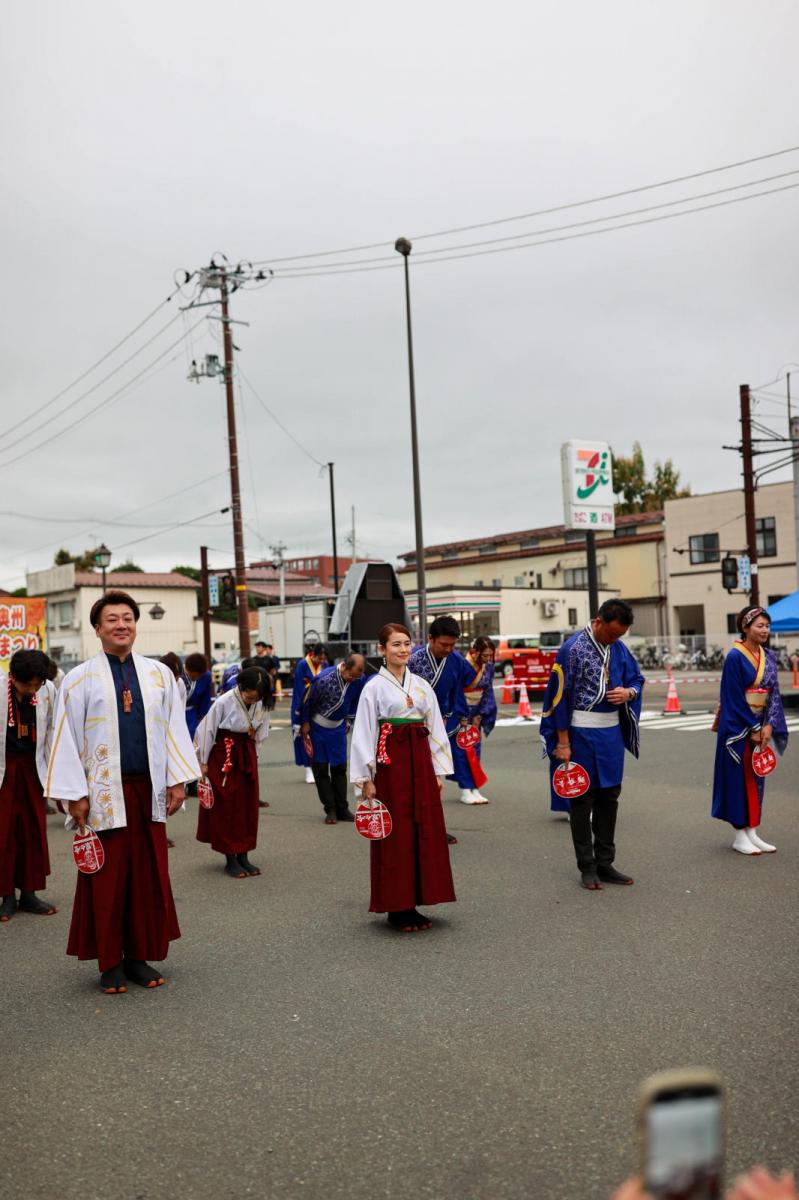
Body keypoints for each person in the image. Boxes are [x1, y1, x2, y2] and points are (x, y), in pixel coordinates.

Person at [45, 590, 200, 994]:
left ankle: (139, 956)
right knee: (107, 879)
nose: (121, 625)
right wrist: (74, 794)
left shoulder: (159, 675)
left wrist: (178, 779)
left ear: (135, 625)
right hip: (103, 794)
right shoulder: (79, 679)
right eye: (112, 619)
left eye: (127, 618)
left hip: (148, 791)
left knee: (147, 876)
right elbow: (64, 740)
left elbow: (175, 729)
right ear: (97, 629)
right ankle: (110, 961)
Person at [350, 623, 455, 933]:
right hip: (390, 766)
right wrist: (366, 778)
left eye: (407, 643)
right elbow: (364, 732)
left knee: (422, 829)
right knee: (396, 834)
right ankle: (398, 907)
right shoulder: (373, 687)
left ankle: (418, 899)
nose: (404, 649)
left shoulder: (421, 685)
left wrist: (438, 771)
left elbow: (435, 728)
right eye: (396, 644)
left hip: (419, 764)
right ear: (382, 650)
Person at [540, 599, 644, 890]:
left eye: (620, 635)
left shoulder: (618, 648)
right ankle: (587, 866)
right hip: (580, 732)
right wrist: (562, 742)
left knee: (610, 796)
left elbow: (637, 678)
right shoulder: (572, 649)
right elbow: (558, 696)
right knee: (581, 798)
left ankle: (605, 862)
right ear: (598, 622)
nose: (615, 639)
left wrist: (629, 693)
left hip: (610, 734)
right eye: (611, 633)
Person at [711, 606, 788, 855]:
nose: (765, 630)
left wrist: (769, 724)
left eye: (767, 626)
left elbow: (774, 693)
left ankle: (752, 830)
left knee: (757, 776)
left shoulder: (769, 656)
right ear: (745, 627)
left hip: (761, 723)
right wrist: (753, 727)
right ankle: (739, 834)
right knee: (738, 778)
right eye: (759, 626)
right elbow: (732, 697)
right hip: (738, 726)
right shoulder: (735, 657)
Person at [194, 667, 270, 879]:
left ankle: (244, 854)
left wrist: (255, 753)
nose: (252, 700)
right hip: (224, 756)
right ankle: (230, 857)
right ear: (241, 687)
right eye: (248, 696)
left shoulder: (262, 702)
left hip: (246, 753)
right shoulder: (224, 702)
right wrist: (203, 761)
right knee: (226, 806)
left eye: (256, 697)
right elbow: (206, 731)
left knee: (247, 806)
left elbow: (262, 730)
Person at [0, 649, 58, 922]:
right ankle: (7, 896)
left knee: (33, 831)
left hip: (34, 768)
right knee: (4, 834)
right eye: (28, 685)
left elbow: (54, 731)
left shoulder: (48, 691)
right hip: (5, 769)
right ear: (13, 677)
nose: (34, 689)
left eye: (38, 684)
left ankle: (29, 893)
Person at [408, 615, 468, 843]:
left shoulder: (455, 661)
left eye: (452, 645)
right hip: (409, 726)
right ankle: (410, 829)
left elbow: (455, 692)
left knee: (435, 781)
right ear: (431, 639)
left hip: (438, 726)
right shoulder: (412, 659)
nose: (449, 649)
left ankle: (433, 828)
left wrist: (451, 717)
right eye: (444, 644)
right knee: (412, 781)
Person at [300, 652, 367, 824]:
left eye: (356, 677)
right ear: (344, 666)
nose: (353, 679)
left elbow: (355, 701)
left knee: (339, 768)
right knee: (321, 769)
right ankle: (330, 809)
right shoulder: (323, 679)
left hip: (338, 728)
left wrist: (349, 720)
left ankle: (342, 808)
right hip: (318, 728)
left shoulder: (359, 680)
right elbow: (308, 701)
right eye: (351, 675)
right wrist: (305, 723)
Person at [452, 635, 497, 805]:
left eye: (490, 655)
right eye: (485, 655)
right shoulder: (463, 665)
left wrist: (481, 714)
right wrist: (463, 716)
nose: (488, 658)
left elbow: (488, 690)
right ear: (475, 652)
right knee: (462, 751)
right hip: (461, 713)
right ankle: (465, 789)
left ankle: (475, 787)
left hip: (476, 712)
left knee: (475, 750)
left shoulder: (488, 667)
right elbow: (456, 691)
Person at [292, 644, 325, 784]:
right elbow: (299, 690)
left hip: (320, 707)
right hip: (304, 704)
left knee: (319, 739)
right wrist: (298, 714)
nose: (321, 661)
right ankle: (308, 769)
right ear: (313, 654)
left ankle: (318, 768)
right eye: (319, 658)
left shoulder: (324, 664)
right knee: (305, 738)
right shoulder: (302, 665)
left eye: (323, 659)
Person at [184, 652, 212, 739]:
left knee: (193, 736)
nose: (196, 678)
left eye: (199, 676)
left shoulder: (206, 676)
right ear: (187, 669)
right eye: (194, 676)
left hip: (191, 712)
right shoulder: (179, 675)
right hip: (176, 711)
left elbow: (205, 700)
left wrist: (202, 719)